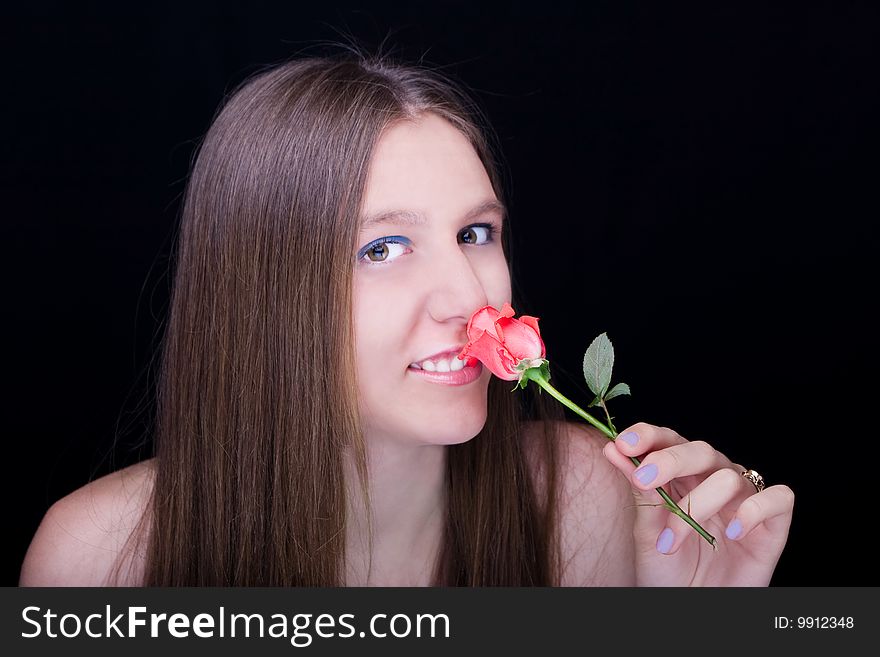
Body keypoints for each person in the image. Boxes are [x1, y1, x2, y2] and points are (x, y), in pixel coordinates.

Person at [19, 50, 794, 587]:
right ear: (262, 296)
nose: (466, 295)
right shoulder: (97, 559)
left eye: (475, 233)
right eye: (384, 247)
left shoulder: (594, 505)